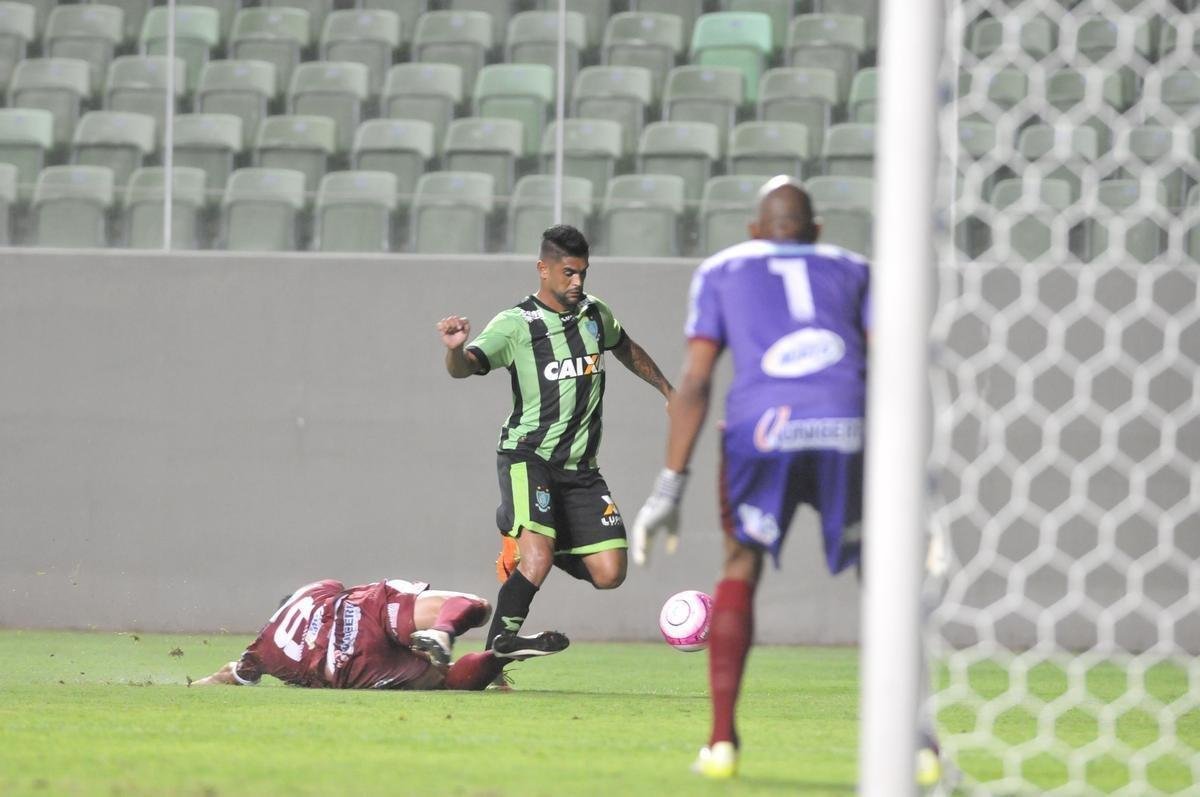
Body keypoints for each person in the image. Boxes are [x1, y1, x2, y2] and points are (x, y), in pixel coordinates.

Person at [630, 176, 884, 778]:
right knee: (884, 574)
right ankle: (920, 747)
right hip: (846, 421)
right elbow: (893, 362)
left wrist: (670, 484)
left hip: (761, 428)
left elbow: (694, 381)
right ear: (816, 230)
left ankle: (721, 745)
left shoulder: (722, 269)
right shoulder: (855, 267)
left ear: (754, 232)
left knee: (742, 565)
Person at [436, 224, 673, 658]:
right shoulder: (516, 324)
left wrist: (667, 391)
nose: (577, 282)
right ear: (543, 269)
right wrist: (455, 348)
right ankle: (493, 657)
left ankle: (525, 534)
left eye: (583, 272)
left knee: (610, 572)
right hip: (529, 457)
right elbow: (465, 366)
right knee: (538, 561)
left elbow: (625, 347)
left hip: (582, 471)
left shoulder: (595, 314)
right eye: (568, 272)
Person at [190, 577, 568, 690]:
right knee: (476, 605)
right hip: (362, 615)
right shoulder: (313, 592)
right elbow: (335, 585)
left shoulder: (263, 650)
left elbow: (229, 677)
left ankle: (496, 658)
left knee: (447, 681)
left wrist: (195, 684)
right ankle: (446, 633)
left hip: (347, 669)